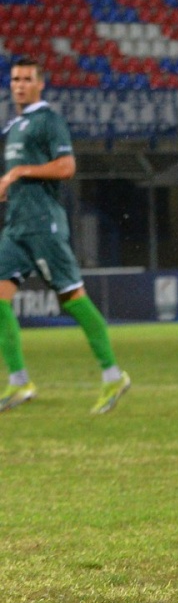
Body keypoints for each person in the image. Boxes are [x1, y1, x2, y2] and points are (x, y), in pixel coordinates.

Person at [0, 58, 131, 414]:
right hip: (17, 226)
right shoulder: (14, 126)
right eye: (15, 79)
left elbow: (67, 167)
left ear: (40, 84)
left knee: (73, 297)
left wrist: (18, 173)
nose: (19, 85)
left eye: (27, 79)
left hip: (44, 224)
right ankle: (19, 382)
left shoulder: (49, 121)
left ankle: (113, 376)